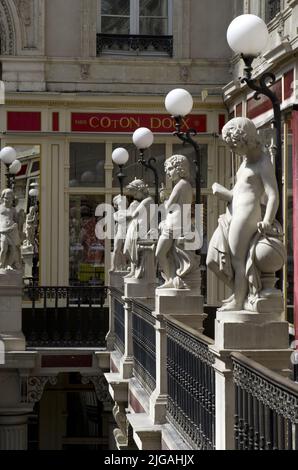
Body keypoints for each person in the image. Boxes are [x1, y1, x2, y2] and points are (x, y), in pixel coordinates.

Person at [206, 117, 279, 311]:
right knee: (212, 260)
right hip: (232, 212)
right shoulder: (245, 161)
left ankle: (239, 300)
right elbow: (239, 193)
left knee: (238, 261)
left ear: (244, 140)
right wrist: (224, 192)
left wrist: (267, 221)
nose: (231, 150)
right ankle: (242, 292)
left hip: (246, 215)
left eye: (233, 145)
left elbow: (273, 195)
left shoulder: (263, 162)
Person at [156, 155, 201, 289]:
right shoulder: (185, 185)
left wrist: (163, 197)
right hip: (179, 224)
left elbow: (168, 206)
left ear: (179, 168)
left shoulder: (180, 185)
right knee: (170, 254)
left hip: (174, 226)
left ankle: (170, 280)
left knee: (160, 253)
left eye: (170, 169)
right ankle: (172, 279)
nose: (168, 173)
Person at [123, 179, 156, 279]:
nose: (134, 196)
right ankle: (133, 271)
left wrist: (123, 214)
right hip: (136, 227)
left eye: (135, 193)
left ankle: (135, 271)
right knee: (129, 250)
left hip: (139, 228)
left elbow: (134, 214)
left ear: (140, 190)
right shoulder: (146, 201)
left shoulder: (148, 200)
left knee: (131, 250)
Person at [0, 188, 22, 270]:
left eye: (10, 198)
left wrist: (20, 218)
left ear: (12, 199)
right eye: (6, 198)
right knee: (3, 249)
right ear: (3, 198)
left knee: (13, 249)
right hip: (3, 231)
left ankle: (8, 264)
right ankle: (1, 264)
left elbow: (16, 220)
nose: (8, 200)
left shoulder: (13, 210)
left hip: (12, 231)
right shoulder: (0, 208)